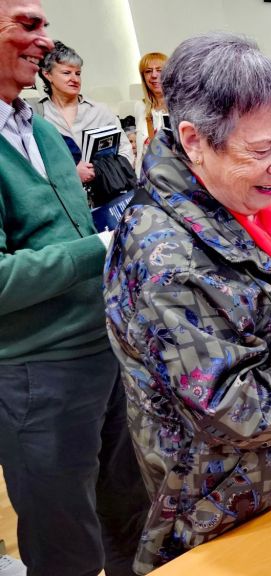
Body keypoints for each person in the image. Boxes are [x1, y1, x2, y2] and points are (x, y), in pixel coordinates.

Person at [104, 32, 271, 573]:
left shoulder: (229, 198)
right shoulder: (166, 259)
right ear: (194, 140)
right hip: (228, 509)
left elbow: (254, 312)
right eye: (261, 150)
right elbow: (229, 408)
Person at [0, 1, 148, 574]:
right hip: (38, 375)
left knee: (130, 519)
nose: (46, 39)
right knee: (66, 547)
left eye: (45, 24)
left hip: (102, 353)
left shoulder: (36, 127)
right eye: (28, 25)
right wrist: (102, 247)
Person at [36, 41, 134, 182]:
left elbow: (125, 151)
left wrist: (99, 172)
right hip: (61, 191)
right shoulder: (37, 114)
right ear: (47, 74)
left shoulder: (100, 111)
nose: (75, 79)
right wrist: (70, 173)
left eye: (78, 73)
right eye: (66, 73)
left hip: (103, 188)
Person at [133, 51, 167, 172]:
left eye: (159, 70)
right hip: (146, 175)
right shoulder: (140, 106)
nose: (154, 75)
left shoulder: (180, 106)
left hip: (174, 175)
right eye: (148, 71)